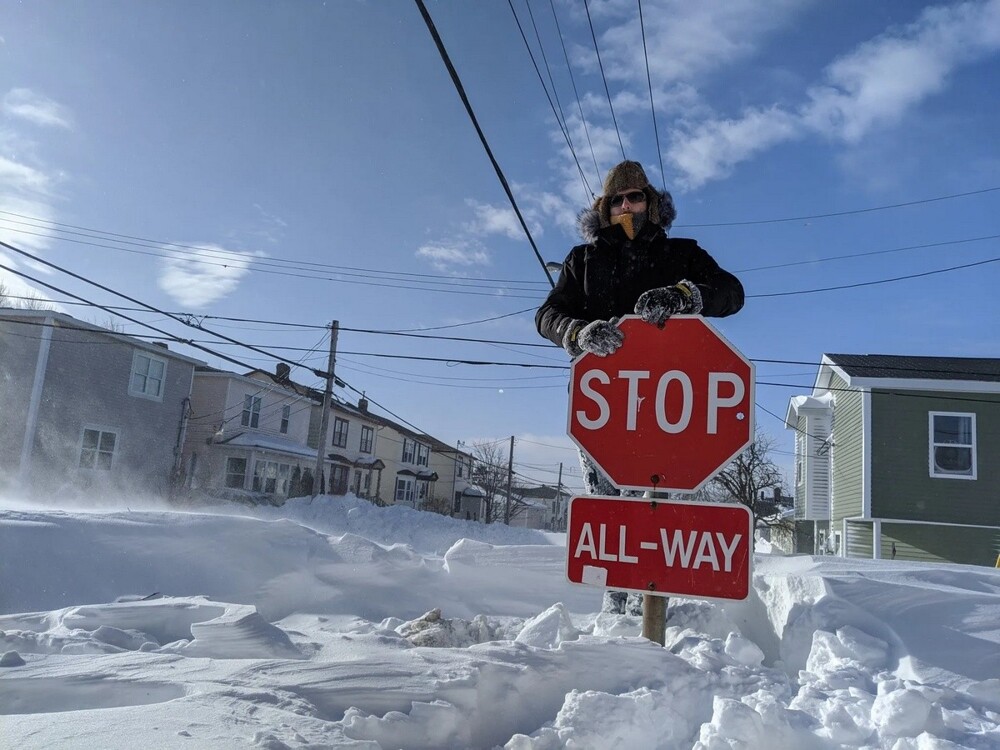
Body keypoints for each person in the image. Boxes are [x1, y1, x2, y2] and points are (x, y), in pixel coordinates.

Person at [536, 159, 745, 615]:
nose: (627, 206)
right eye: (617, 200)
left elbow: (732, 293)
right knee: (610, 505)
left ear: (652, 204)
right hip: (605, 406)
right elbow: (546, 316)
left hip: (672, 403)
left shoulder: (681, 254)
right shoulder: (582, 260)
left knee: (656, 505)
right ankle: (616, 609)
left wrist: (684, 296)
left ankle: (652, 612)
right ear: (604, 209)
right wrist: (579, 333)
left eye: (636, 197)